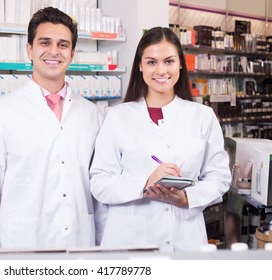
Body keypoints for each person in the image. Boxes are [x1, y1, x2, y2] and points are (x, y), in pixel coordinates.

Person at [0, 7, 103, 254]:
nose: (54, 51)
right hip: (21, 249)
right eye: (44, 42)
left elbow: (98, 190)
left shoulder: (92, 114)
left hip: (81, 247)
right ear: (29, 49)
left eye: (63, 45)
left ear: (72, 53)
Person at [90, 27, 231, 252]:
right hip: (130, 239)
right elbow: (99, 182)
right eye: (151, 62)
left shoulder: (202, 116)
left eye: (169, 61)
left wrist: (186, 199)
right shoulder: (118, 116)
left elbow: (219, 178)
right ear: (140, 66)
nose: (161, 70)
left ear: (180, 64)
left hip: (185, 238)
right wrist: (146, 182)